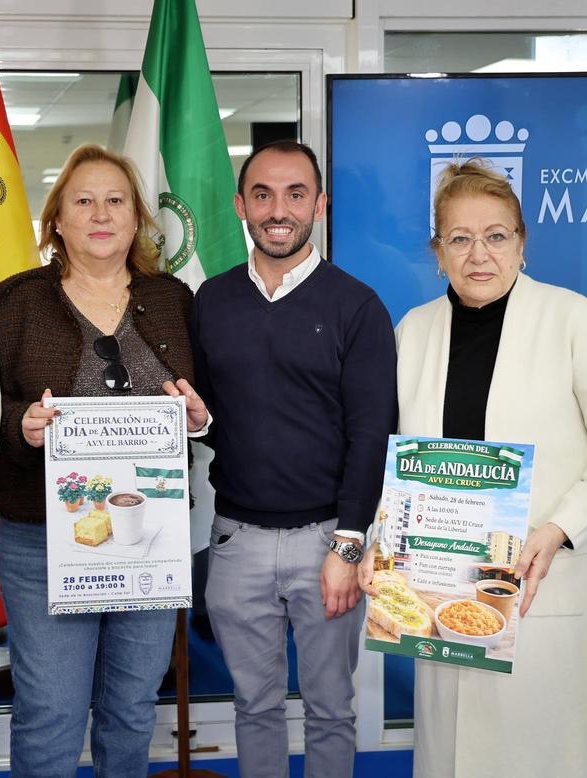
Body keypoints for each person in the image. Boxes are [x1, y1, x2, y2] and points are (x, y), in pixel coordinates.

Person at [363, 159, 587, 777]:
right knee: (452, 754)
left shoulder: (573, 319)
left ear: (522, 244)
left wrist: (557, 531)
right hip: (441, 590)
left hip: (540, 582)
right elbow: (395, 460)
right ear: (437, 251)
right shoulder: (412, 332)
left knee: (536, 755)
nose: (478, 255)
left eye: (496, 235)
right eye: (459, 238)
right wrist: (376, 544)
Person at [0, 143, 209, 777]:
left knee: (132, 707)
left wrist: (197, 418)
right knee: (51, 709)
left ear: (138, 217)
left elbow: (202, 403)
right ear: (57, 219)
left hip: (151, 539)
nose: (100, 213)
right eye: (83, 201)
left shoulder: (174, 300)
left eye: (115, 200)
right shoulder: (18, 302)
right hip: (43, 540)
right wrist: (20, 425)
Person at [190, 140, 398, 778]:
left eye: (295, 194)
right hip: (236, 540)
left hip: (326, 545)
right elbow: (216, 414)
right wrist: (199, 422)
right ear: (240, 206)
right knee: (253, 705)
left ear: (320, 205)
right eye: (263, 194)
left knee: (331, 707)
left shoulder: (356, 307)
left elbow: (373, 433)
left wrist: (348, 546)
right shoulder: (210, 302)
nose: (279, 209)